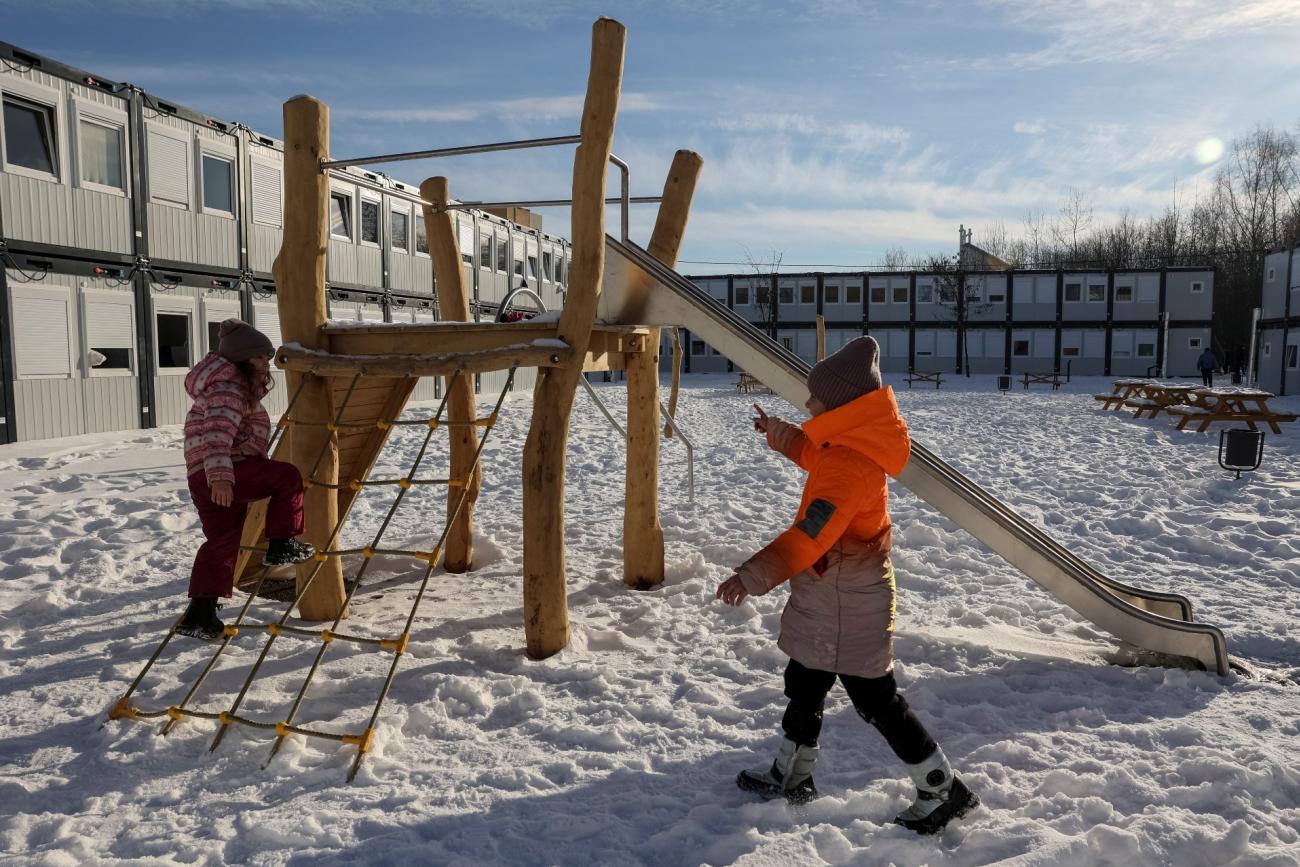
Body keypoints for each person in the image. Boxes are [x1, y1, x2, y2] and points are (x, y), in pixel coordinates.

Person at [716, 336, 978, 835]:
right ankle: (792, 775)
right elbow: (815, 454)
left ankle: (943, 789)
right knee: (806, 682)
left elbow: (808, 538)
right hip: (831, 591)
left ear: (838, 404)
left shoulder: (849, 464)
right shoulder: (846, 446)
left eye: (815, 397)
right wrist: (779, 433)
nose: (808, 402)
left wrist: (751, 577)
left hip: (848, 598)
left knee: (876, 698)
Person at [177, 319, 316, 640]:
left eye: (267, 356)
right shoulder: (228, 388)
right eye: (259, 357)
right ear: (241, 360)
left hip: (205, 476)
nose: (265, 362)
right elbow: (216, 434)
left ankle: (199, 613)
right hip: (227, 470)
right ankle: (282, 543)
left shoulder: (223, 385)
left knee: (222, 543)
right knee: (287, 477)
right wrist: (222, 478)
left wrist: (215, 477)